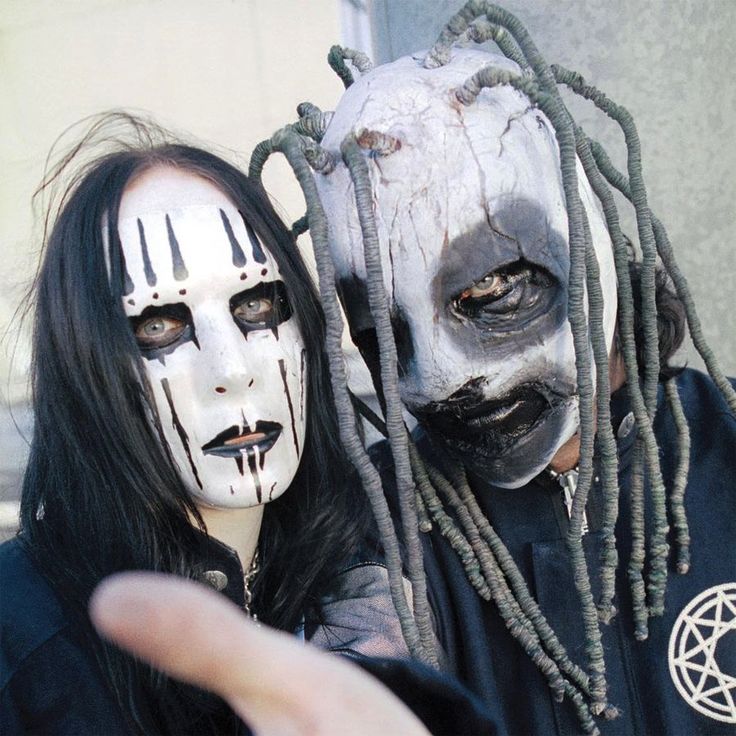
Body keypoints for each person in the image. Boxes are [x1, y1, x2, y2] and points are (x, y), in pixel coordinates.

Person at [241, 3, 736, 734]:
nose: (434, 381)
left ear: (588, 242)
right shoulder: (372, 541)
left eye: (491, 292)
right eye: (386, 334)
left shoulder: (722, 449)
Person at [0, 115, 380, 735]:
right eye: (158, 326)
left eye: (257, 305)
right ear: (84, 364)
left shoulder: (372, 583)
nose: (232, 371)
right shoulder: (17, 641)